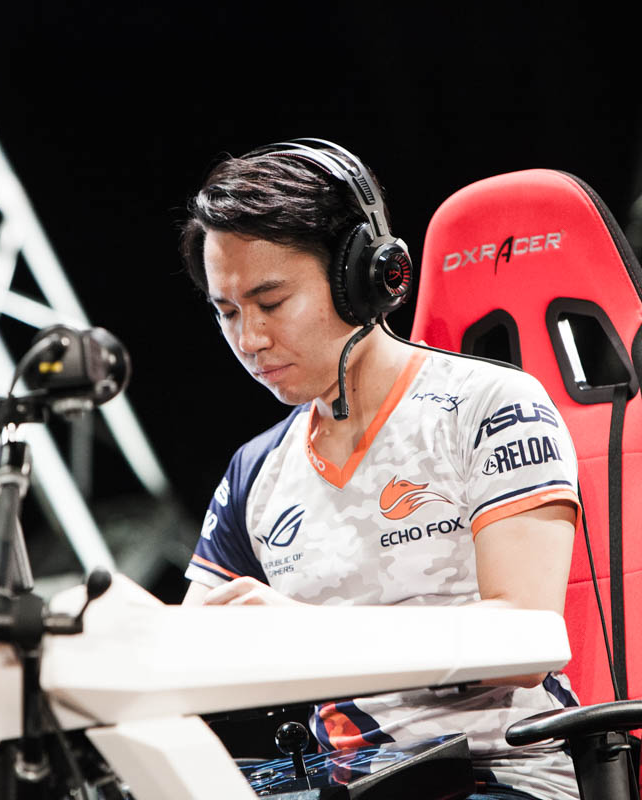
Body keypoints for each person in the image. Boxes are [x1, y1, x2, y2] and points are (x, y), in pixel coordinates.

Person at [178, 139, 582, 800]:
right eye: (227, 312)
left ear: (361, 276)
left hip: (506, 777)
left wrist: (309, 632)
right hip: (354, 785)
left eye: (271, 303)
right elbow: (188, 660)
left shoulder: (491, 406)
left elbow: (525, 640)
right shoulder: (255, 471)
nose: (249, 339)